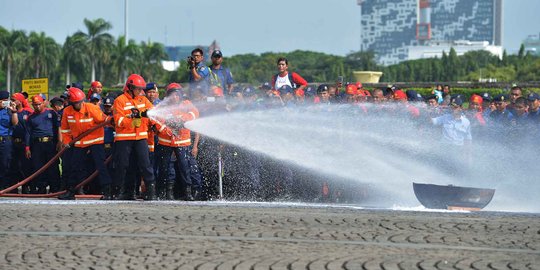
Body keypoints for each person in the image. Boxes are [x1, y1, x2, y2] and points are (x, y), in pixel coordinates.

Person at [57, 87, 112, 200]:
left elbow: (104, 120)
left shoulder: (92, 108)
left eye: (81, 101)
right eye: (77, 103)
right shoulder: (67, 111)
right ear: (72, 102)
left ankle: (108, 192)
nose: (80, 104)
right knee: (75, 166)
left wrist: (112, 121)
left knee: (100, 165)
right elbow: (65, 129)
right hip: (79, 142)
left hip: (95, 140)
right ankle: (70, 191)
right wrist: (67, 141)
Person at [112, 74, 157, 200]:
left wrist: (153, 122)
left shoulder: (143, 100)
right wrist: (131, 120)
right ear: (130, 87)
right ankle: (121, 192)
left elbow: (152, 113)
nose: (140, 91)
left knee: (145, 164)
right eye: (138, 88)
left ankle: (151, 191)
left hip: (141, 138)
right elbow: (118, 121)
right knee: (124, 165)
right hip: (124, 139)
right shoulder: (119, 101)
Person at [154, 83, 199, 200]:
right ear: (168, 96)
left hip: (182, 141)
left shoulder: (187, 104)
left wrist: (182, 119)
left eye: (177, 95)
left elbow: (195, 113)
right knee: (164, 168)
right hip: (166, 141)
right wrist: (167, 128)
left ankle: (188, 193)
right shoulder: (162, 106)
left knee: (185, 168)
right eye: (172, 95)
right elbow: (156, 120)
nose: (175, 97)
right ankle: (165, 193)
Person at [25, 95, 61, 193]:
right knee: (39, 166)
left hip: (50, 143)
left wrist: (59, 142)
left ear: (43, 103)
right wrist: (27, 148)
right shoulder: (30, 117)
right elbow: (28, 133)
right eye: (35, 105)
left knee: (53, 166)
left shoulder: (51, 113)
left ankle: (55, 187)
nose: (37, 107)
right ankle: (41, 187)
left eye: (39, 104)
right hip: (37, 144)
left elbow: (58, 128)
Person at [0, 91, 18, 190]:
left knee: (5, 163)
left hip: (5, 141)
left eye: (6, 101)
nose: (5, 103)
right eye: (3, 101)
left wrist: (14, 111)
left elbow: (15, 123)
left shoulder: (9, 111)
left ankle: (4, 186)